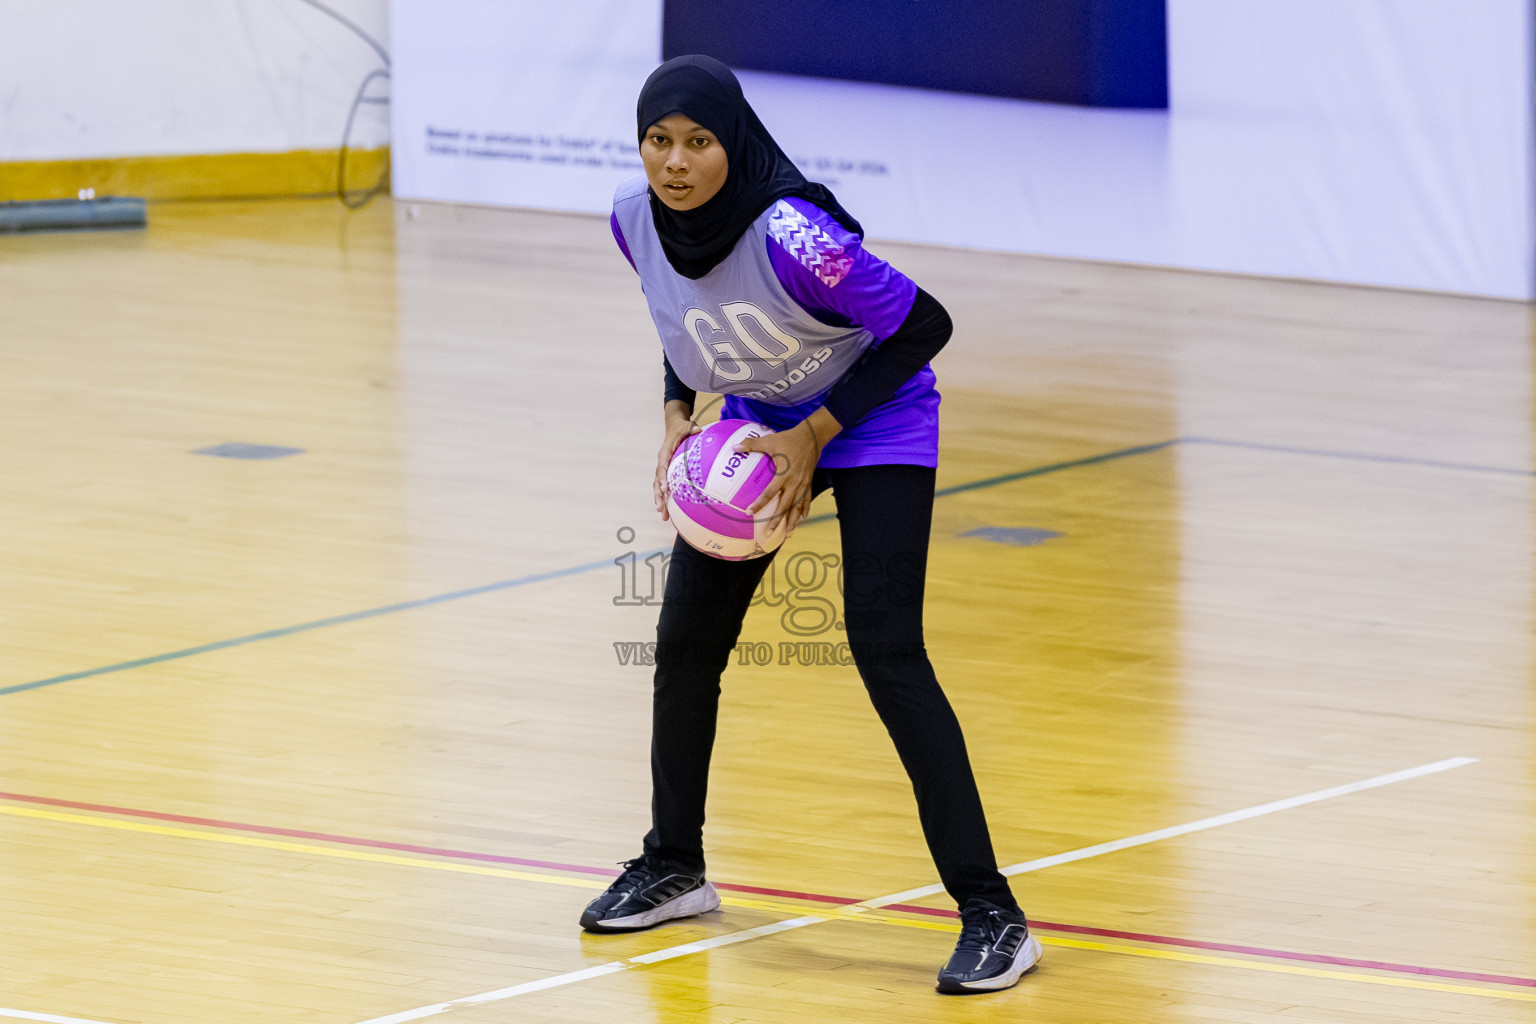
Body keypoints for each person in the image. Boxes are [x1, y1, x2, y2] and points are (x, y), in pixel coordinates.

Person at [581, 54, 1041, 995]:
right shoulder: (635, 222)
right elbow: (684, 322)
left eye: (699, 142)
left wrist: (819, 433)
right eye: (659, 140)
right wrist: (677, 411)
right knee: (684, 642)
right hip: (760, 420)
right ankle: (674, 864)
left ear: (734, 143)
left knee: (885, 648)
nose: (676, 162)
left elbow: (925, 324)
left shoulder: (796, 234)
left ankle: (995, 916)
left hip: (874, 422)